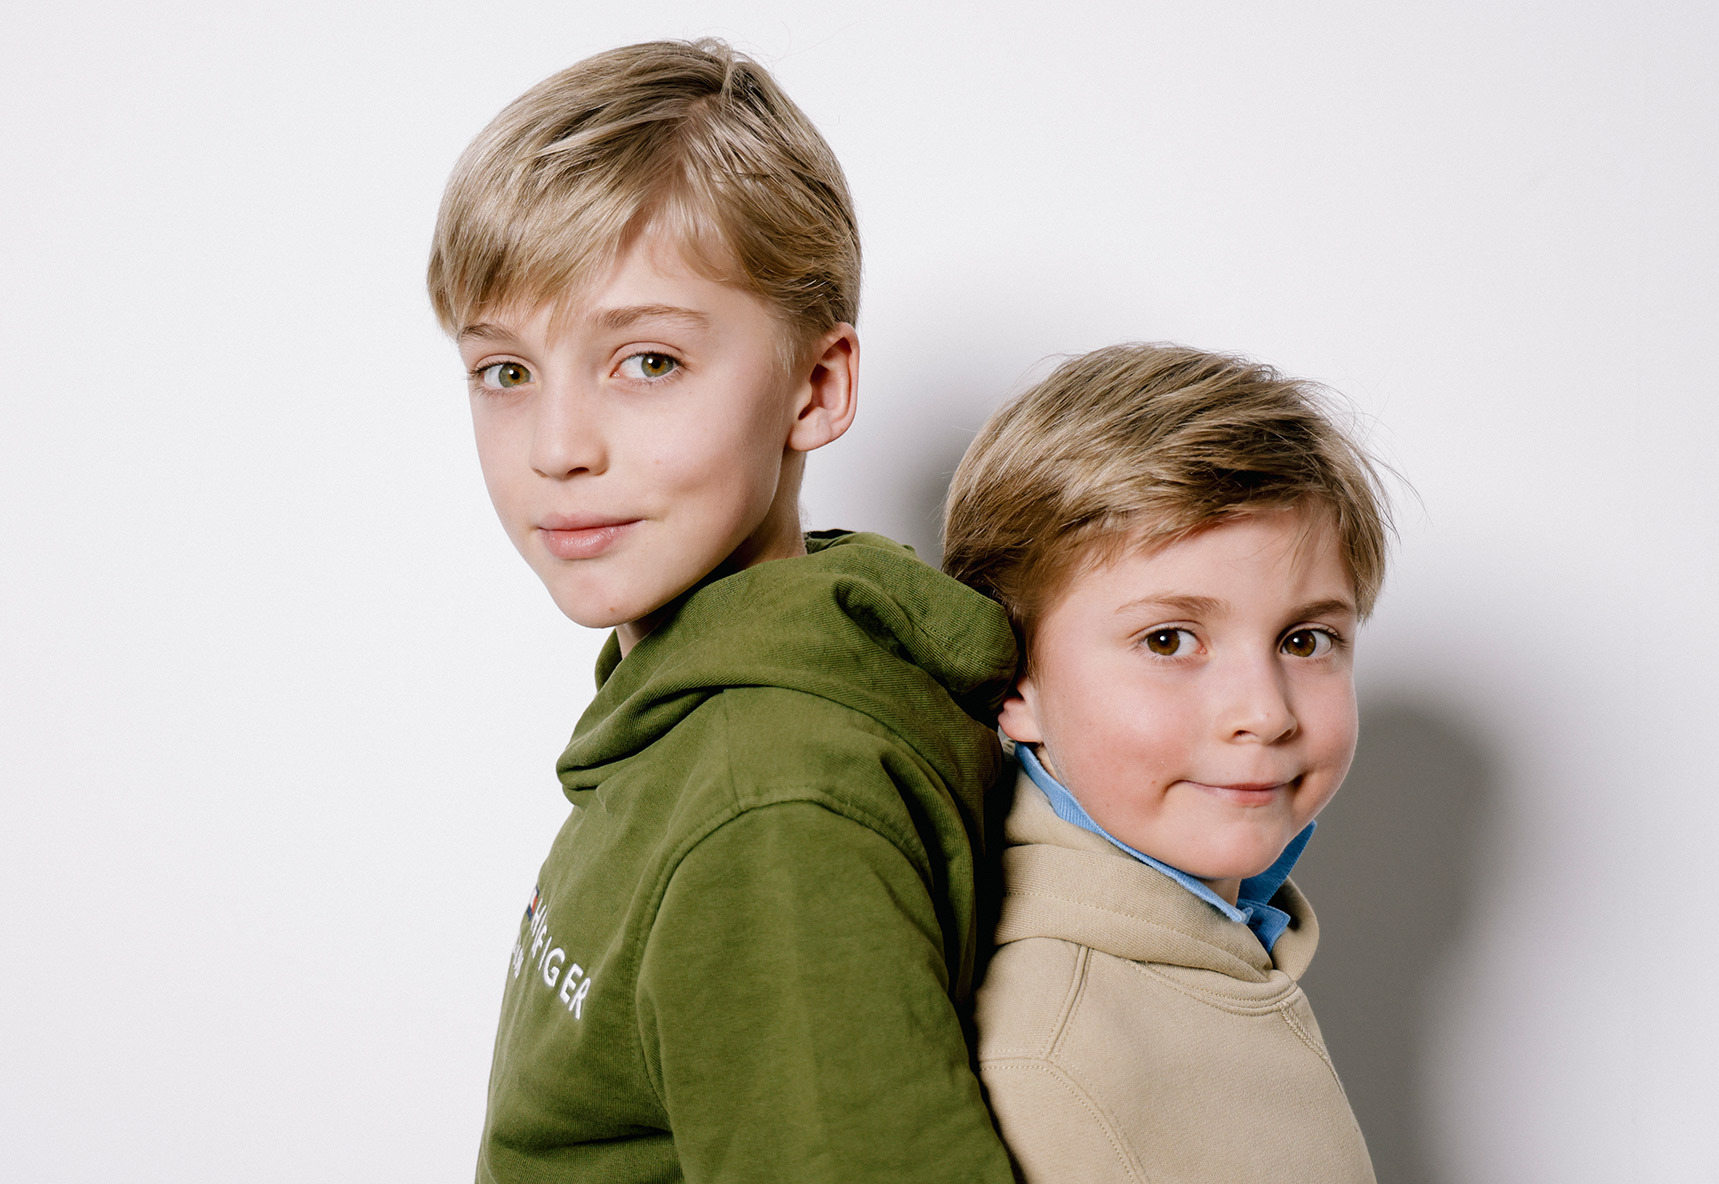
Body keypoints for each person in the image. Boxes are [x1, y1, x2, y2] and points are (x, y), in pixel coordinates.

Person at [426, 39, 1019, 1184]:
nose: (557, 447)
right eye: (506, 371)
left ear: (817, 386)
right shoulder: (715, 707)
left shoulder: (770, 803)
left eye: (647, 361)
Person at [943, 343, 1388, 1183]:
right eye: (1168, 640)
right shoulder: (1055, 1057)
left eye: (1304, 641)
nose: (1264, 713)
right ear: (1011, 674)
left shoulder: (1213, 945)